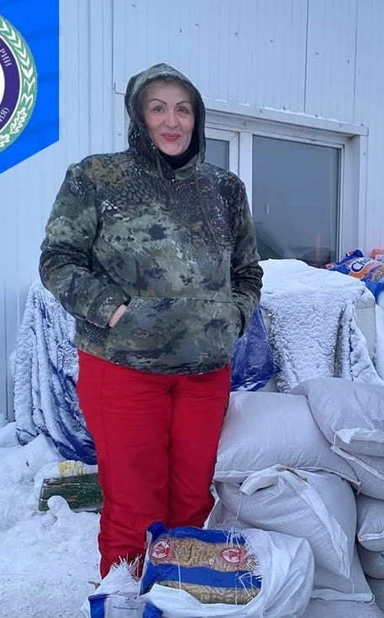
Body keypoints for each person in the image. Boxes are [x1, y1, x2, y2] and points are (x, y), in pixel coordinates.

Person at [39, 63, 262, 579]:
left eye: (183, 109)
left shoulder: (224, 189)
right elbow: (58, 260)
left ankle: (181, 599)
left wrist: (232, 317)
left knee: (191, 500)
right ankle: (123, 601)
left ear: (197, 118)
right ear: (138, 116)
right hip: (123, 368)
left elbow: (248, 271)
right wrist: (113, 311)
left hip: (204, 373)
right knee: (134, 504)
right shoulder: (96, 177)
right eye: (158, 107)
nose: (172, 121)